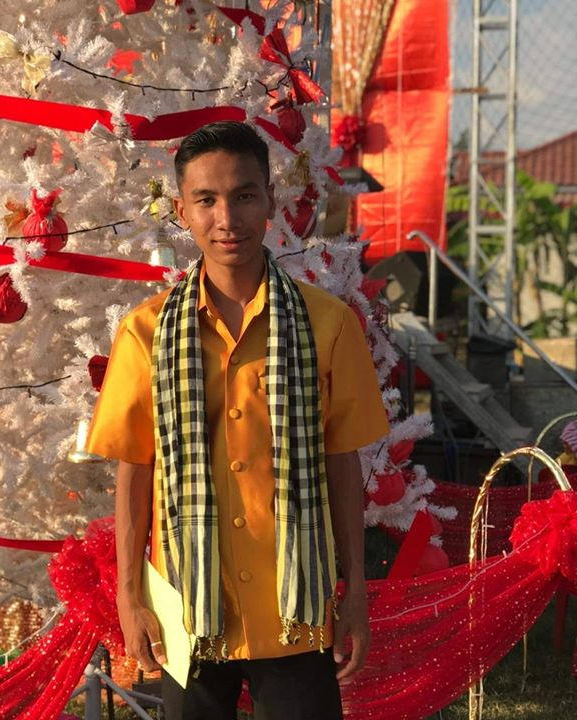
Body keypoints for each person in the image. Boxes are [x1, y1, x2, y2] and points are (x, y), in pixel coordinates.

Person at [86, 121, 389, 720]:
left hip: (296, 610)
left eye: (244, 195)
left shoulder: (327, 324)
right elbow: (136, 470)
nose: (227, 218)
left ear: (270, 200)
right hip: (191, 608)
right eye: (206, 199)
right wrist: (129, 596)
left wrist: (354, 591)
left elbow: (342, 462)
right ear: (182, 210)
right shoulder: (146, 333)